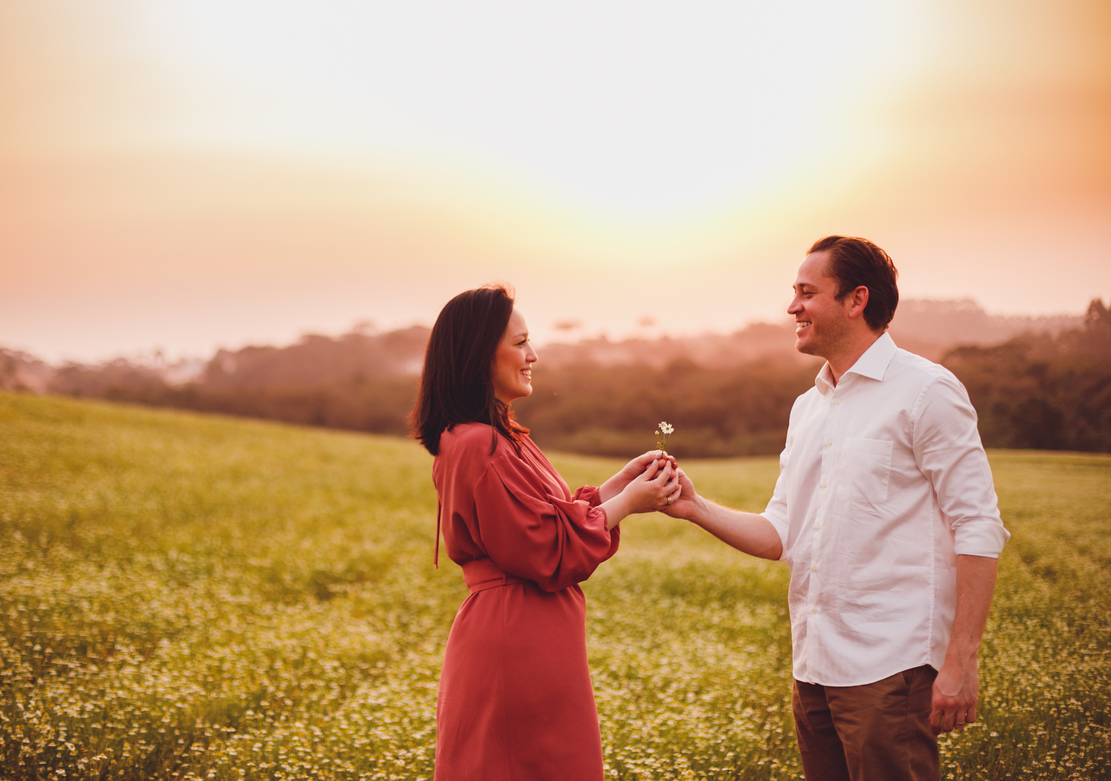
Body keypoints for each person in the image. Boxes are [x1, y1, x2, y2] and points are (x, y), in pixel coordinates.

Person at [663, 236, 1010, 781]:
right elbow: (782, 532)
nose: (791, 307)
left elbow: (979, 527)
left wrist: (961, 660)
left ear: (857, 300)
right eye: (793, 293)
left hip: (891, 668)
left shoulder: (927, 392)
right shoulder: (808, 408)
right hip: (815, 667)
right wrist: (693, 506)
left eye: (807, 292)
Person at [411, 284, 680, 781]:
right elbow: (543, 548)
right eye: (520, 344)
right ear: (478, 354)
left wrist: (616, 487)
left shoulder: (501, 437)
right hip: (515, 637)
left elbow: (547, 521)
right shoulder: (479, 443)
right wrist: (629, 503)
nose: (533, 356)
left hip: (532, 631)